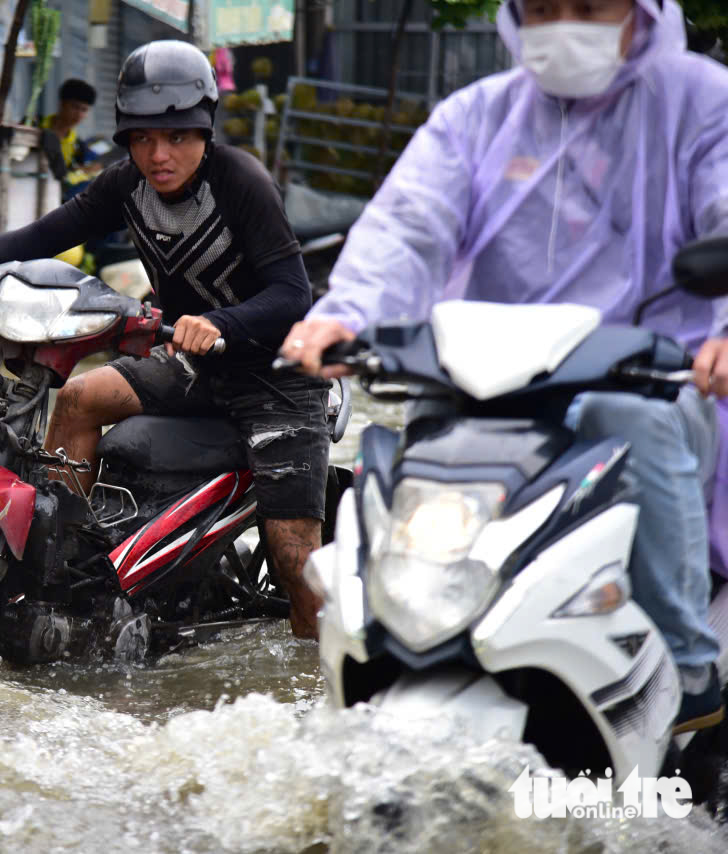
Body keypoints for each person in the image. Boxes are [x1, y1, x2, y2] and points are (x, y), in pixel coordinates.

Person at [280, 0, 728, 732]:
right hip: (491, 387)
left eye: (589, 7)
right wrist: (345, 313)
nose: (565, 25)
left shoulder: (703, 102)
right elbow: (408, 221)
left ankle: (686, 662)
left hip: (659, 384)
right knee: (417, 440)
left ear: (640, 9)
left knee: (627, 418)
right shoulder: (477, 116)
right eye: (546, 8)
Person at [0, 39, 333, 640]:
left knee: (295, 558)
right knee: (79, 397)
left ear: (205, 130)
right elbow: (48, 232)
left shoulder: (241, 181)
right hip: (190, 365)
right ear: (128, 139)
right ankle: (69, 577)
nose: (160, 155)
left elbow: (293, 293)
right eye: (143, 139)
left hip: (278, 380)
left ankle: (318, 679)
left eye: (178, 138)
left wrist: (222, 323)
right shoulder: (126, 185)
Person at [41, 78, 102, 198]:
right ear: (62, 104)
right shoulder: (35, 127)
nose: (79, 114)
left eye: (84, 110)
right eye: (75, 107)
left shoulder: (78, 146)